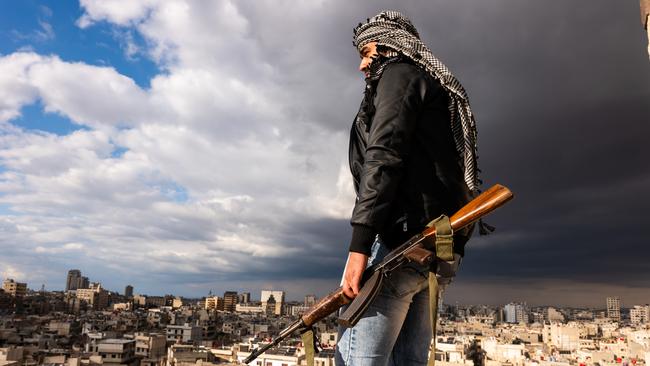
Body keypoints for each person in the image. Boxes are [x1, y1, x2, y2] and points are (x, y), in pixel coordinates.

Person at [336, 10, 481, 366]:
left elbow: (384, 155)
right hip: (434, 251)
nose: (361, 67)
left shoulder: (398, 75)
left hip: (398, 249)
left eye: (366, 53)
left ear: (388, 46)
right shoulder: (433, 89)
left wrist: (359, 246)